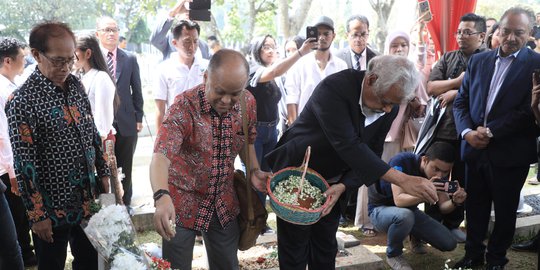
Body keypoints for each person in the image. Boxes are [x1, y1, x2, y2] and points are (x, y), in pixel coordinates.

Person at [266, 55, 439, 270]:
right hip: (300, 172)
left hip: (335, 180)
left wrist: (344, 185)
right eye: (385, 102)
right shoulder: (334, 88)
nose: (387, 110)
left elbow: (372, 152)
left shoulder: (390, 106)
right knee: (295, 247)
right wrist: (402, 179)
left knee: (325, 246)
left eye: (393, 104)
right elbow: (349, 144)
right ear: (371, 79)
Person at [150, 49, 269, 269]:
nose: (226, 100)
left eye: (234, 94)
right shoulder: (184, 107)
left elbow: (246, 142)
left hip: (223, 202)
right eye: (220, 91)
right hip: (180, 204)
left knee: (227, 265)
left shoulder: (248, 103)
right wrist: (161, 196)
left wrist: (254, 171)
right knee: (175, 266)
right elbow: (160, 156)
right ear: (206, 78)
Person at [6, 21, 110, 270]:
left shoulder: (75, 85)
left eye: (70, 60)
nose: (65, 67)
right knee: (51, 265)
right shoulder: (22, 101)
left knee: (89, 263)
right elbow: (23, 164)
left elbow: (91, 132)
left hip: (87, 199)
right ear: (36, 55)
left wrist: (103, 171)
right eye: (57, 61)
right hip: (51, 209)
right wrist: (37, 215)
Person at [453, 7, 540, 269]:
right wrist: (468, 133)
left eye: (519, 32)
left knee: (505, 211)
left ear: (530, 34)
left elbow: (529, 110)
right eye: (506, 31)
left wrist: (491, 132)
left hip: (510, 152)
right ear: (497, 31)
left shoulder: (536, 65)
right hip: (474, 150)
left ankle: (496, 260)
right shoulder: (479, 61)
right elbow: (460, 102)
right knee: (475, 207)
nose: (511, 37)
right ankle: (472, 256)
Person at [422, 13, 488, 243]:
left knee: (462, 180)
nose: (461, 36)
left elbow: (486, 94)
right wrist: (456, 83)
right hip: (442, 131)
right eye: (459, 32)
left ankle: (453, 223)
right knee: (434, 178)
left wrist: (454, 93)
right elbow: (431, 87)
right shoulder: (448, 58)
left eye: (467, 32)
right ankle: (428, 225)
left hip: (469, 133)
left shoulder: (489, 60)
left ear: (482, 36)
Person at [246, 34, 315, 234]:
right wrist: (301, 52)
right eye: (265, 47)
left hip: (271, 130)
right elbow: (274, 71)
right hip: (255, 132)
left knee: (268, 176)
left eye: (273, 46)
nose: (270, 50)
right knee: (255, 177)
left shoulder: (277, 78)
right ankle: (254, 223)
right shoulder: (255, 70)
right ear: (256, 51)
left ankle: (262, 222)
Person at [368, 142, 466, 270]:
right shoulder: (402, 161)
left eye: (445, 172)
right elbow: (399, 201)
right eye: (435, 168)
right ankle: (394, 255)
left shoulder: (438, 176)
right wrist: (424, 195)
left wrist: (455, 201)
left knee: (449, 243)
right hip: (379, 211)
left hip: (409, 213)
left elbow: (443, 207)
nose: (440, 175)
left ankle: (415, 237)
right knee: (405, 215)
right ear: (425, 160)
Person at [96, 16, 144, 210]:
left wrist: (138, 117)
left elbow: (137, 90)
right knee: (103, 168)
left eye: (114, 29)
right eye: (106, 30)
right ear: (98, 33)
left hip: (126, 121)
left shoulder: (130, 58)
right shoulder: (93, 58)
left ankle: (126, 205)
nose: (111, 33)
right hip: (101, 124)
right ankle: (107, 208)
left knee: (126, 166)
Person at [285, 15, 347, 124]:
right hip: (305, 127)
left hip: (332, 128)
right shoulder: (299, 64)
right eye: (318, 33)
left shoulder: (341, 66)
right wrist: (293, 131)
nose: (322, 37)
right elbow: (292, 99)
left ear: (333, 36)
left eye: (326, 33)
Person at [154, 20, 208, 132]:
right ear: (174, 43)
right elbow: (160, 109)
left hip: (202, 132)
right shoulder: (164, 69)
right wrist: (160, 143)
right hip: (175, 130)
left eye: (195, 41)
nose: (192, 47)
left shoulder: (208, 67)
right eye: (187, 42)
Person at [0, 36, 26, 270]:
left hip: (8, 168)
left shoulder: (10, 86)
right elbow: (3, 136)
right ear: (8, 60)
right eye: (22, 57)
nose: (26, 60)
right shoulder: (2, 90)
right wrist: (12, 170)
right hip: (5, 169)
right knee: (10, 239)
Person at [74, 33, 116, 140]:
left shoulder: (101, 78)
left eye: (74, 52)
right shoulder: (77, 76)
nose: (71, 57)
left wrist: (99, 138)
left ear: (88, 53)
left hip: (98, 138)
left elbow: (102, 115)